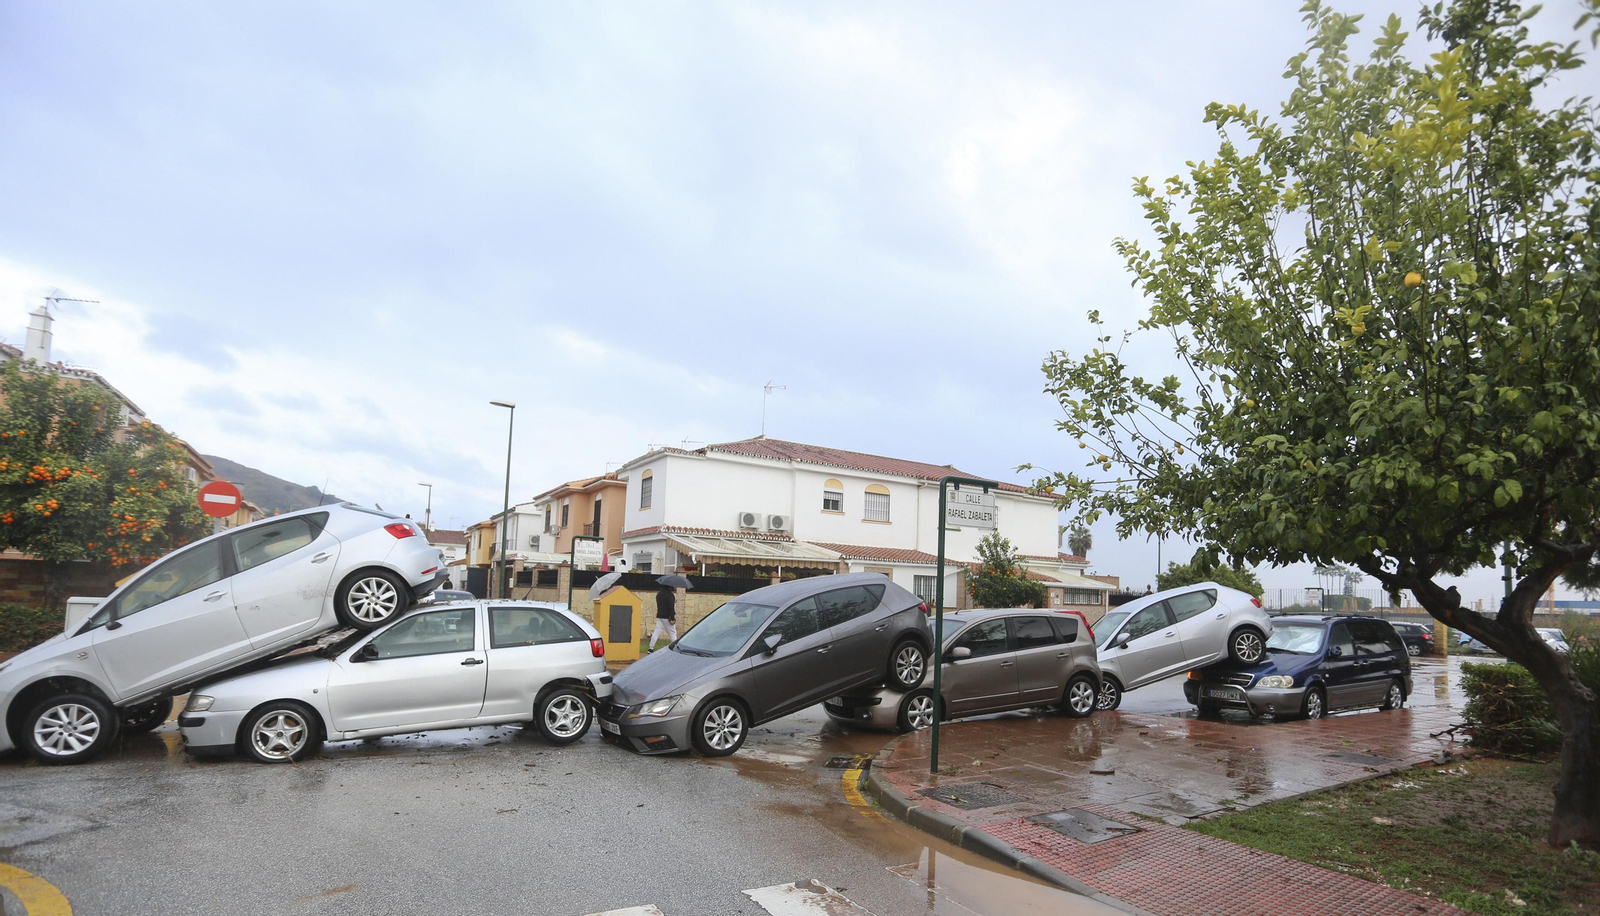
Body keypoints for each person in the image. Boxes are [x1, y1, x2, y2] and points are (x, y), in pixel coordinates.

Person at [649, 584, 678, 651]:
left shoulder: (659, 594)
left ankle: (651, 648)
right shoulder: (670, 595)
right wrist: (672, 618)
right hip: (667, 618)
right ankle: (675, 648)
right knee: (673, 633)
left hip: (660, 617)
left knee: (656, 633)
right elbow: (671, 608)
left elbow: (662, 604)